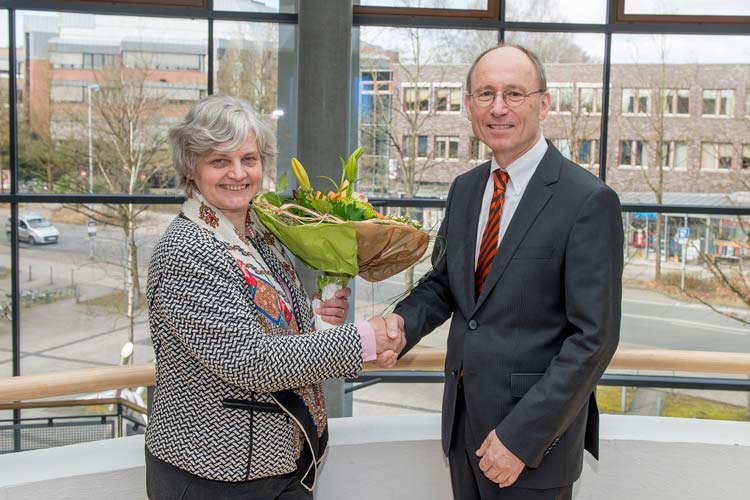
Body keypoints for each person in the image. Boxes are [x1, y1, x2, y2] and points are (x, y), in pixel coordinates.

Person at [387, 44, 623, 499]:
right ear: (469, 105)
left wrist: (521, 438)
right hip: (462, 427)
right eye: (485, 94)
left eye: (514, 93)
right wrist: (400, 324)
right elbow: (446, 283)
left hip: (531, 446)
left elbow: (594, 338)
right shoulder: (466, 187)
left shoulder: (588, 200)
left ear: (544, 103)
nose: (498, 108)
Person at [145, 94, 405, 499]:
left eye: (248, 159)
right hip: (214, 476)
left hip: (276, 465)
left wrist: (316, 322)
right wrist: (363, 340)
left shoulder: (257, 233)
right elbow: (249, 361)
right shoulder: (186, 250)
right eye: (219, 161)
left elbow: (270, 330)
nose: (238, 173)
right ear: (191, 169)